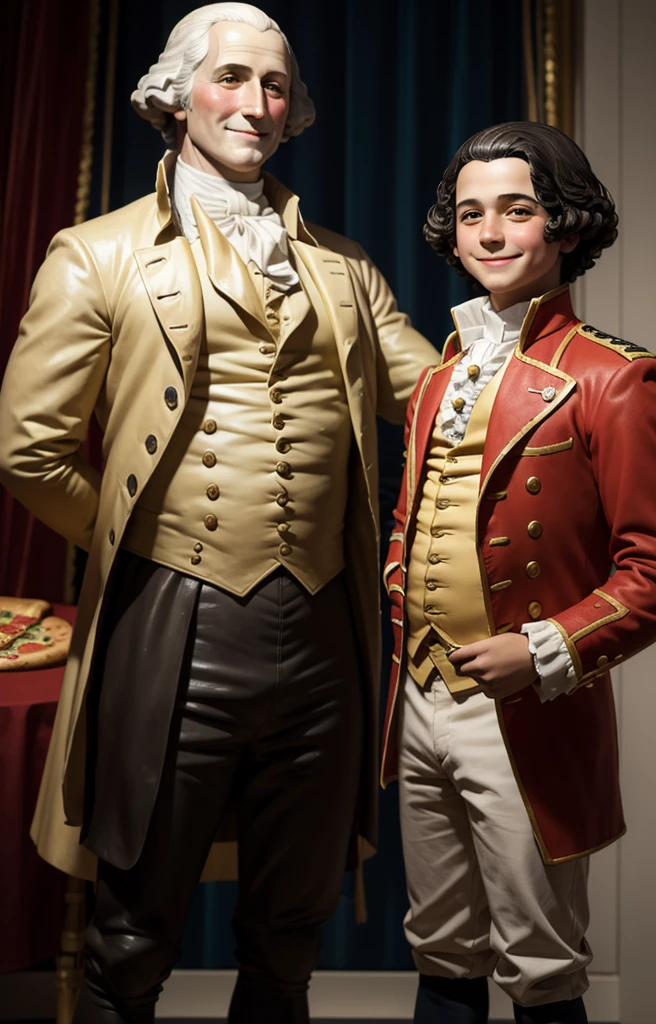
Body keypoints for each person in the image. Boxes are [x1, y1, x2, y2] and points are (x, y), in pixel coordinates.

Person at [0, 5, 438, 1022]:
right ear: (175, 94)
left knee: (291, 936)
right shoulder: (95, 255)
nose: (257, 103)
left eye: (276, 86)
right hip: (172, 625)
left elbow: (439, 402)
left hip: (328, 634)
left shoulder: (344, 267)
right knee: (131, 936)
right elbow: (28, 452)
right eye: (233, 78)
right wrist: (149, 541)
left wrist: (556, 360)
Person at [381, 121, 656, 1024]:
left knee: (541, 964)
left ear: (566, 226)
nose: (492, 232)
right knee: (440, 944)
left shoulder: (615, 379)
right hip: (421, 697)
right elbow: (409, 525)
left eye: (518, 210)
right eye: (472, 214)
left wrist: (543, 651)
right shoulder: (439, 377)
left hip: (527, 710)